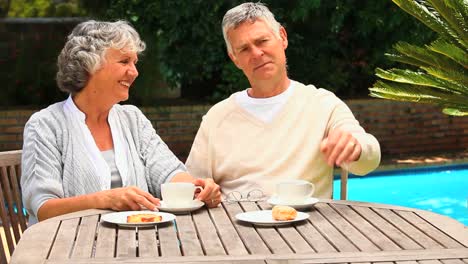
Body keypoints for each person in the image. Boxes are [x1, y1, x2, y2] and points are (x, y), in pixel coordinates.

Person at [21, 20, 221, 224]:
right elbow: (44, 208)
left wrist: (196, 189)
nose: (134, 72)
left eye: (134, 62)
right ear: (90, 64)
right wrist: (103, 199)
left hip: (137, 243)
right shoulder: (45, 125)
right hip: (72, 248)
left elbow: (168, 171)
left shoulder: (132, 119)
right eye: (124, 62)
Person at [185, 3, 380, 199]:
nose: (256, 53)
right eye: (244, 49)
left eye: (262, 41)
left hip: (311, 227)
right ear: (234, 58)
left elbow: (368, 160)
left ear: (283, 37)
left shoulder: (323, 105)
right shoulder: (217, 117)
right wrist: (202, 191)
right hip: (235, 226)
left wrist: (354, 147)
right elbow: (193, 186)